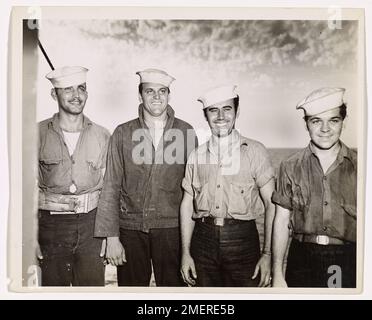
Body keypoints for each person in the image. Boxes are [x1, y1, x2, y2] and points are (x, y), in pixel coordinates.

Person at [95, 68, 198, 286]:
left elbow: (194, 190)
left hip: (171, 230)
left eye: (162, 91)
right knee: (131, 291)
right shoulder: (123, 132)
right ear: (140, 95)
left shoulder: (186, 131)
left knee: (174, 292)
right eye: (150, 91)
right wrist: (111, 236)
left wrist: (192, 245)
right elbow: (111, 185)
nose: (157, 97)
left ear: (169, 95)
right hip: (130, 229)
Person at [180, 85, 275, 287]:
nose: (221, 116)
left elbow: (271, 204)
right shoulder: (196, 156)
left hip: (243, 240)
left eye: (227, 109)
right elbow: (187, 204)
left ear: (237, 111)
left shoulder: (255, 151)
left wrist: (267, 254)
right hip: (202, 241)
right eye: (213, 110)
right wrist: (186, 253)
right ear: (205, 116)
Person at [271, 87, 357, 288]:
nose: (325, 129)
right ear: (306, 125)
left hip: (347, 258)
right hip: (301, 258)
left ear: (343, 122)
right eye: (316, 121)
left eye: (333, 120)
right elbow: (282, 220)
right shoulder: (290, 166)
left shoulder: (362, 166)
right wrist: (277, 273)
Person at [37, 66, 110, 286]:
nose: (76, 95)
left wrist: (108, 234)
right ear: (54, 94)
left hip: (92, 227)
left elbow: (110, 190)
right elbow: (24, 188)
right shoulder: (36, 133)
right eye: (67, 89)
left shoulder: (102, 135)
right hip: (51, 227)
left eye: (81, 88)